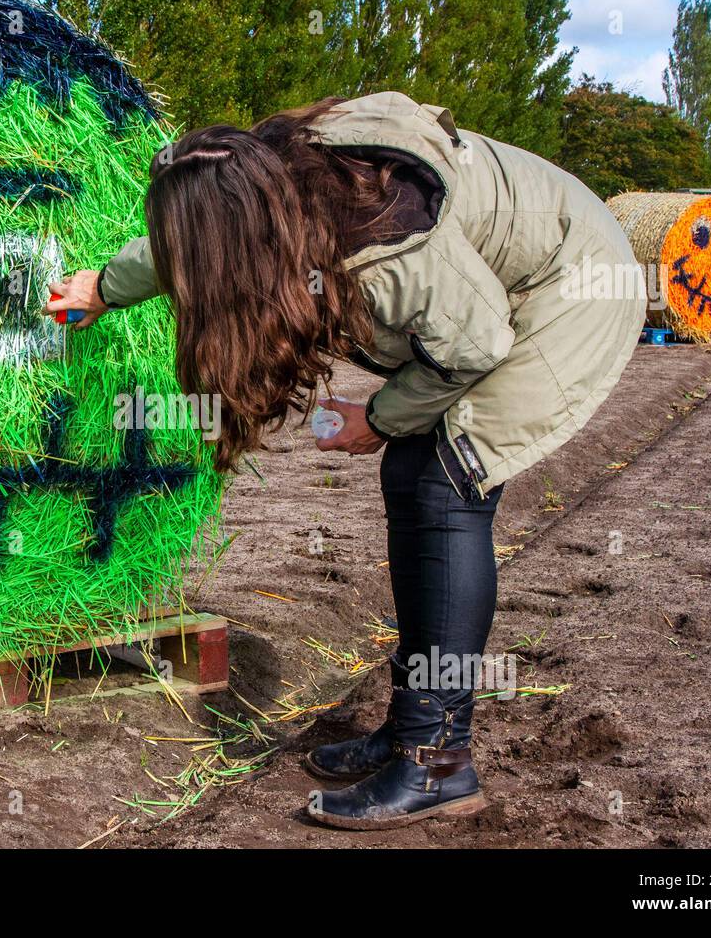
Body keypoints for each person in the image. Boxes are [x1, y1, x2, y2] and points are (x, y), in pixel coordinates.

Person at [48, 92, 646, 830]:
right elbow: (200, 242)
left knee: (445, 489)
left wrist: (381, 417)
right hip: (482, 297)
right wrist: (104, 288)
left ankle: (437, 764)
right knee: (412, 477)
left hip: (564, 289)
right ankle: (410, 728)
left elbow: (475, 345)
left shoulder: (384, 241)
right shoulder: (259, 178)